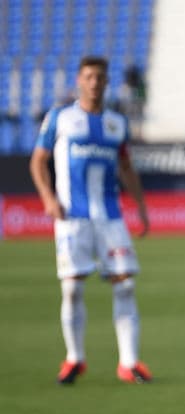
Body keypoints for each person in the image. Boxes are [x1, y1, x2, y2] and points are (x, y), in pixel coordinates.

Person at [29, 55, 153, 385]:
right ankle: (74, 359)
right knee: (72, 289)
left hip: (110, 217)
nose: (95, 82)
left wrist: (140, 207)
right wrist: (47, 198)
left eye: (100, 77)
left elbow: (126, 166)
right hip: (72, 217)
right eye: (89, 77)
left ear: (107, 81)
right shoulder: (60, 118)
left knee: (125, 284)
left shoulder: (116, 123)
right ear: (79, 81)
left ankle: (129, 362)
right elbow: (38, 161)